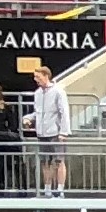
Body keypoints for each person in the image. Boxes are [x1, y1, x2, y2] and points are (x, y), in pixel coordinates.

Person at [30, 63, 67, 192]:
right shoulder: (37, 93)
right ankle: (47, 188)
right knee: (45, 162)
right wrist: (29, 118)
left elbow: (64, 112)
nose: (35, 79)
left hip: (55, 132)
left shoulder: (58, 91)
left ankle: (60, 189)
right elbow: (38, 111)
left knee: (59, 160)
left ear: (46, 76)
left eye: (38, 77)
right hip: (41, 133)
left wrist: (64, 132)